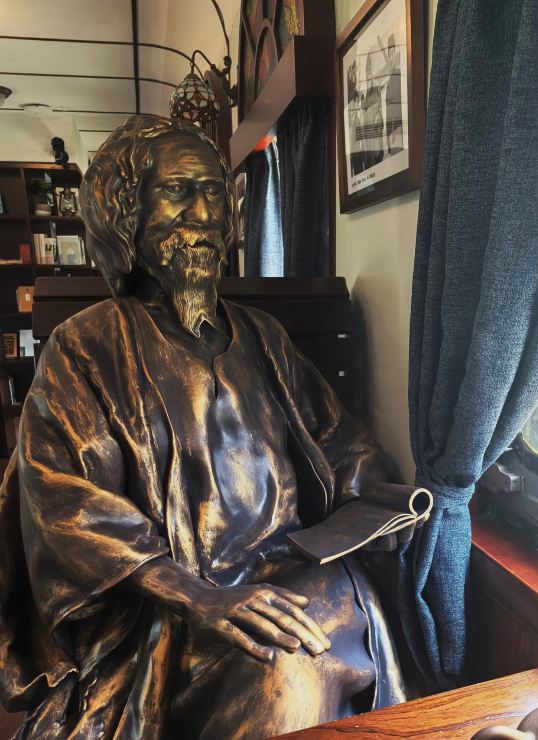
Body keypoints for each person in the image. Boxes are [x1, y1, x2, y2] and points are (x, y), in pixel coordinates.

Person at [0, 115, 421, 739]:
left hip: (295, 572)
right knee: (283, 677)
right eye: (177, 191)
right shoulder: (85, 347)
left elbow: (339, 441)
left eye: (214, 192)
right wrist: (198, 596)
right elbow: (64, 503)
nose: (202, 213)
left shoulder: (264, 337)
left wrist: (378, 510)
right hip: (170, 608)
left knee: (309, 648)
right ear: (126, 214)